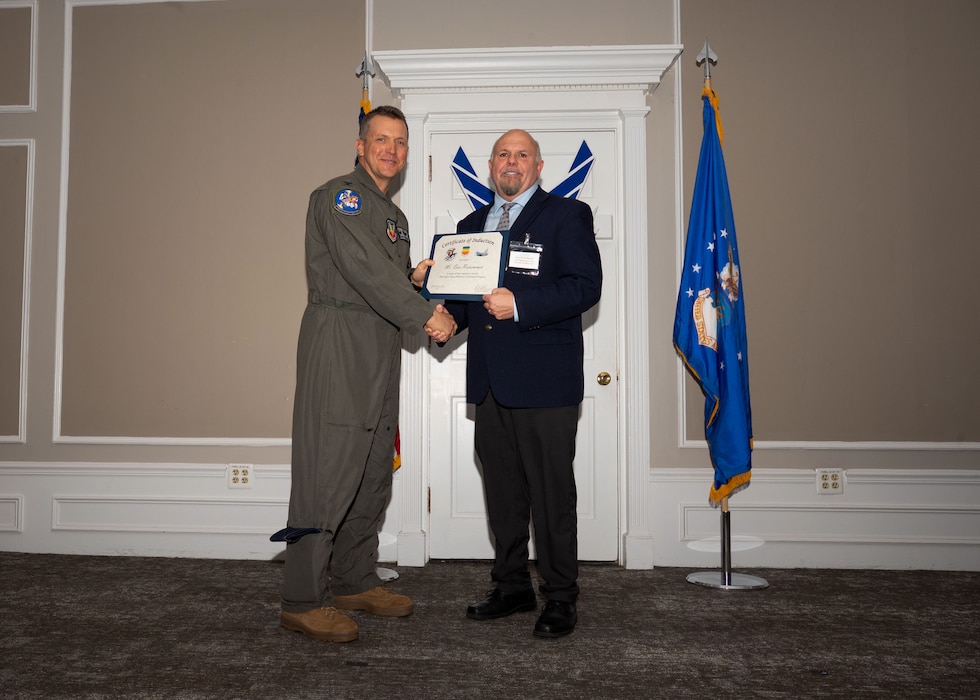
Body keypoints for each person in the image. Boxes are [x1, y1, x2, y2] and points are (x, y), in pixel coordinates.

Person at [278, 105, 456, 643]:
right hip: (340, 342)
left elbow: (383, 277)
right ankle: (303, 599)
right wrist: (426, 312)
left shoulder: (393, 217)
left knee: (372, 467)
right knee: (329, 470)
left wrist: (415, 276)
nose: (391, 150)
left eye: (400, 142)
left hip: (380, 345)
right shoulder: (341, 197)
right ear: (360, 145)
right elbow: (364, 271)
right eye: (380, 140)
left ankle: (354, 579)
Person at [447, 129, 602, 638]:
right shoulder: (471, 225)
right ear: (491, 165)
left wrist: (522, 305)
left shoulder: (566, 216)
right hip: (491, 384)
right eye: (503, 155)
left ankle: (560, 597)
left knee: (552, 495)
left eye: (522, 155)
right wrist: (444, 311)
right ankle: (512, 586)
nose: (511, 163)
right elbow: (467, 297)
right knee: (504, 494)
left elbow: (584, 286)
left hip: (546, 384)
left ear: (538, 167)